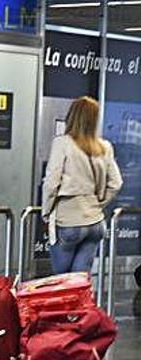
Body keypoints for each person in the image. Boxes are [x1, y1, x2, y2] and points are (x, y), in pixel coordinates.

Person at [43, 96, 122, 275]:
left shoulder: (62, 143)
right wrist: (98, 202)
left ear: (72, 116)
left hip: (68, 221)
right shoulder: (105, 147)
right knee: (81, 281)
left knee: (62, 282)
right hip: (95, 222)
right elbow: (116, 183)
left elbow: (51, 183)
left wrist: (46, 212)